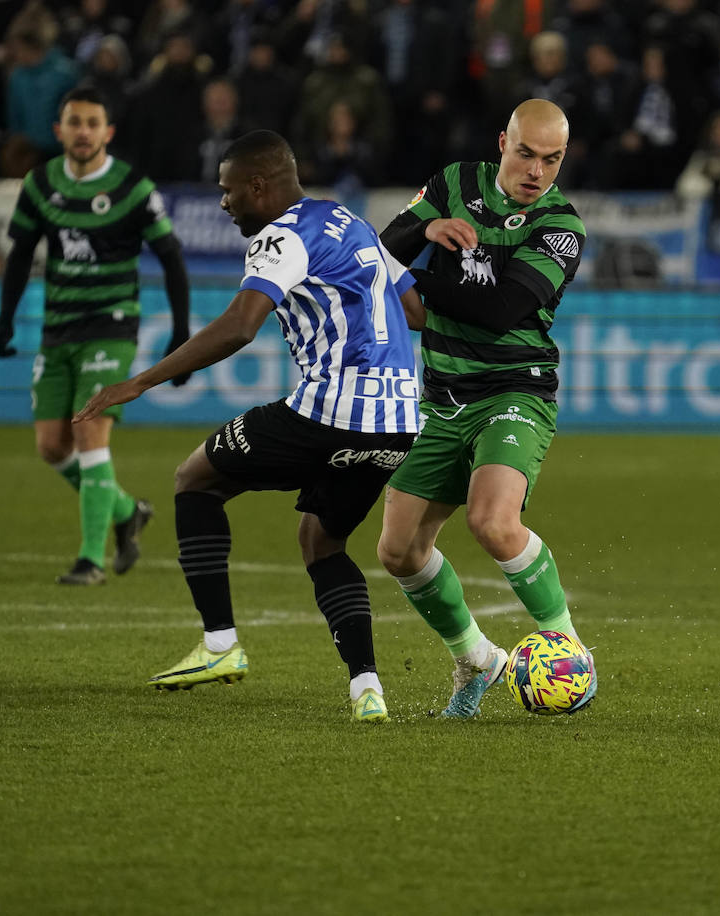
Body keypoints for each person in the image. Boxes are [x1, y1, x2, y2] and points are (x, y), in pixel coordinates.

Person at [75, 130, 421, 723]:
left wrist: (140, 381)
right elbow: (415, 310)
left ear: (258, 187)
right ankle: (367, 688)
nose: (223, 203)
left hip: (333, 409)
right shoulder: (348, 219)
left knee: (195, 478)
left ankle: (219, 646)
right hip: (399, 421)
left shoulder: (280, 236)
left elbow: (240, 325)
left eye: (228, 190)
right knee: (322, 541)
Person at [376, 98, 594, 719]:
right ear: (503, 142)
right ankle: (476, 656)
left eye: (551, 160)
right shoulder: (453, 183)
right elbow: (384, 245)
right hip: (442, 398)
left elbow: (501, 310)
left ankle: (570, 647)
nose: (536, 171)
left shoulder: (561, 226)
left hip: (514, 390)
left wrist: (412, 281)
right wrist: (424, 231)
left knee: (492, 523)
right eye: (526, 153)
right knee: (398, 551)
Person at [0, 86, 192, 585]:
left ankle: (90, 560)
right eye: (74, 122)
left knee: (88, 431)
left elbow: (171, 257)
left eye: (92, 123)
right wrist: (5, 317)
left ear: (108, 131)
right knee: (51, 448)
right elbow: (19, 255)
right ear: (59, 130)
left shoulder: (133, 188)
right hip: (58, 327)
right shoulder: (39, 183)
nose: (83, 132)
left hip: (112, 325)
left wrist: (183, 330)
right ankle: (126, 511)